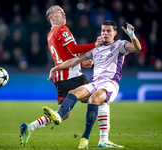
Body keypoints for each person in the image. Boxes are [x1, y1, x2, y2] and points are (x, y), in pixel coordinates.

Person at [43, 20, 141, 149]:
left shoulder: (119, 45)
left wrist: (132, 35)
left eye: (108, 31)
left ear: (115, 33)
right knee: (73, 93)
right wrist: (55, 69)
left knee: (94, 99)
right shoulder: (95, 49)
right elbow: (75, 60)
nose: (105, 33)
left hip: (110, 83)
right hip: (96, 82)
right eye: (103, 31)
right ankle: (59, 115)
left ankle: (85, 138)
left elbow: (137, 48)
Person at [19, 5, 102, 146]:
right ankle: (90, 139)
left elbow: (63, 57)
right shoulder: (62, 29)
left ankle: (29, 127)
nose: (63, 13)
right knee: (99, 96)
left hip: (60, 78)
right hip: (72, 76)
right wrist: (95, 44)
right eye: (59, 11)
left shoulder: (50, 34)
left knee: (65, 114)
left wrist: (81, 64)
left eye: (63, 11)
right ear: (51, 17)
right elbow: (74, 49)